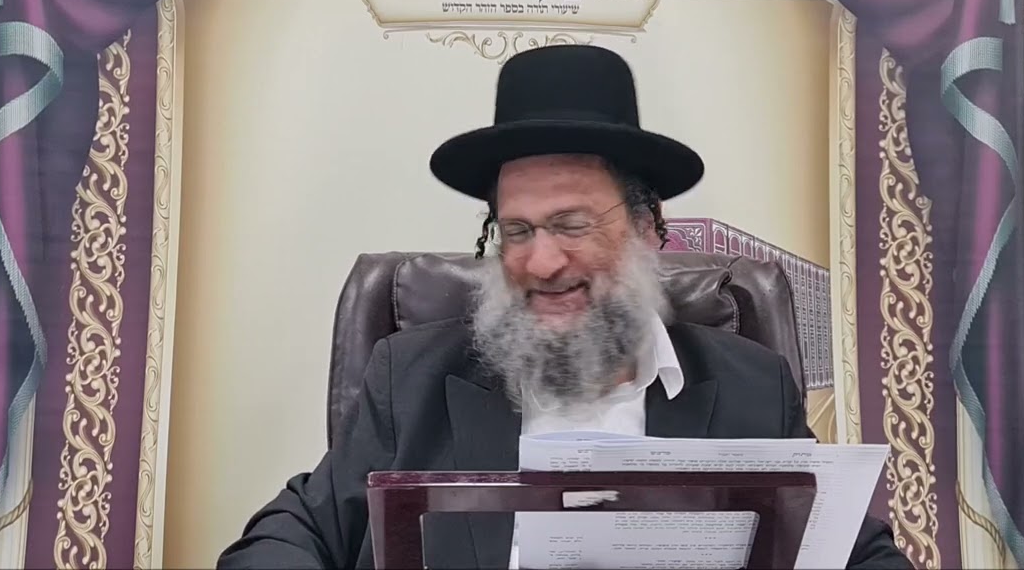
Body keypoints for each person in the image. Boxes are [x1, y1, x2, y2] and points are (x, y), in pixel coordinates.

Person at [218, 46, 912, 569]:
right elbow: (291, 533)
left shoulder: (751, 388)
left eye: (572, 225)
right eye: (517, 231)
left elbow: (859, 554)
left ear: (647, 228)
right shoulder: (412, 378)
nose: (541, 263)